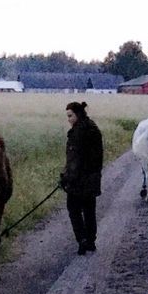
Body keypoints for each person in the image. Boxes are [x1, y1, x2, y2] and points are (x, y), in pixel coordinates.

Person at [60, 102, 103, 254]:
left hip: (77, 181)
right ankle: (91, 240)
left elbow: (74, 160)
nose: (69, 119)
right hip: (92, 179)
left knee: (74, 210)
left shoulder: (76, 133)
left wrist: (65, 178)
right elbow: (98, 158)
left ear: (78, 114)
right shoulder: (94, 129)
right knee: (89, 210)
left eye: (70, 116)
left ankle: (82, 239)